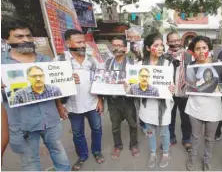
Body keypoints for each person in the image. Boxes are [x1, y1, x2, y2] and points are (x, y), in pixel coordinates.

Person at [1, 20, 70, 171]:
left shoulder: (45, 60)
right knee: (30, 162)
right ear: (7, 40)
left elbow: (56, 87)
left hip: (50, 119)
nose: (25, 39)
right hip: (22, 124)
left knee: (59, 152)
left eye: (28, 35)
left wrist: (59, 105)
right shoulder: (2, 63)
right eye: (19, 36)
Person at [125, 32, 175, 168]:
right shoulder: (140, 65)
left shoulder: (167, 64)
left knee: (165, 132)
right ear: (148, 48)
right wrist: (129, 86)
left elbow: (170, 84)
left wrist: (172, 88)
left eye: (161, 45)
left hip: (163, 106)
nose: (160, 48)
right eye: (156, 45)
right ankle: (153, 153)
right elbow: (134, 85)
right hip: (147, 106)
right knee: (150, 132)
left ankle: (165, 153)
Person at [59, 29, 104, 171]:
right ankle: (83, 155)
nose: (83, 45)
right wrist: (60, 106)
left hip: (92, 103)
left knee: (97, 129)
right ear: (67, 43)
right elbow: (53, 86)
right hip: (72, 106)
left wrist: (100, 100)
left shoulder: (92, 60)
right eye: (78, 42)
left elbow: (100, 81)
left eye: (83, 41)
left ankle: (97, 151)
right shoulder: (59, 61)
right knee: (78, 133)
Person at [185, 36, 222, 171]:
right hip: (195, 107)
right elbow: (189, 87)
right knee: (194, 136)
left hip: (213, 109)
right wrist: (188, 85)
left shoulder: (219, 65)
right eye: (197, 49)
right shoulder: (191, 67)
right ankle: (192, 158)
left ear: (209, 49)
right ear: (193, 52)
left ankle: (207, 160)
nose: (201, 51)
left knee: (209, 138)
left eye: (204, 48)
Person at [105, 36, 140, 159]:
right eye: (114, 45)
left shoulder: (132, 63)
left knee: (133, 125)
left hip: (127, 100)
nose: (116, 48)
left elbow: (137, 82)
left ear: (125, 48)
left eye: (119, 45)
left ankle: (134, 145)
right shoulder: (107, 62)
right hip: (113, 100)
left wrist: (131, 84)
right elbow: (101, 79)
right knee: (115, 126)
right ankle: (118, 146)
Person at [164, 31, 192, 151]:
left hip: (184, 92)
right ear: (167, 42)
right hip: (169, 92)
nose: (175, 43)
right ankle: (171, 138)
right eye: (172, 41)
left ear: (181, 41)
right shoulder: (164, 57)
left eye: (177, 40)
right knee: (170, 116)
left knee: (186, 118)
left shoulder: (188, 56)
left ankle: (186, 139)